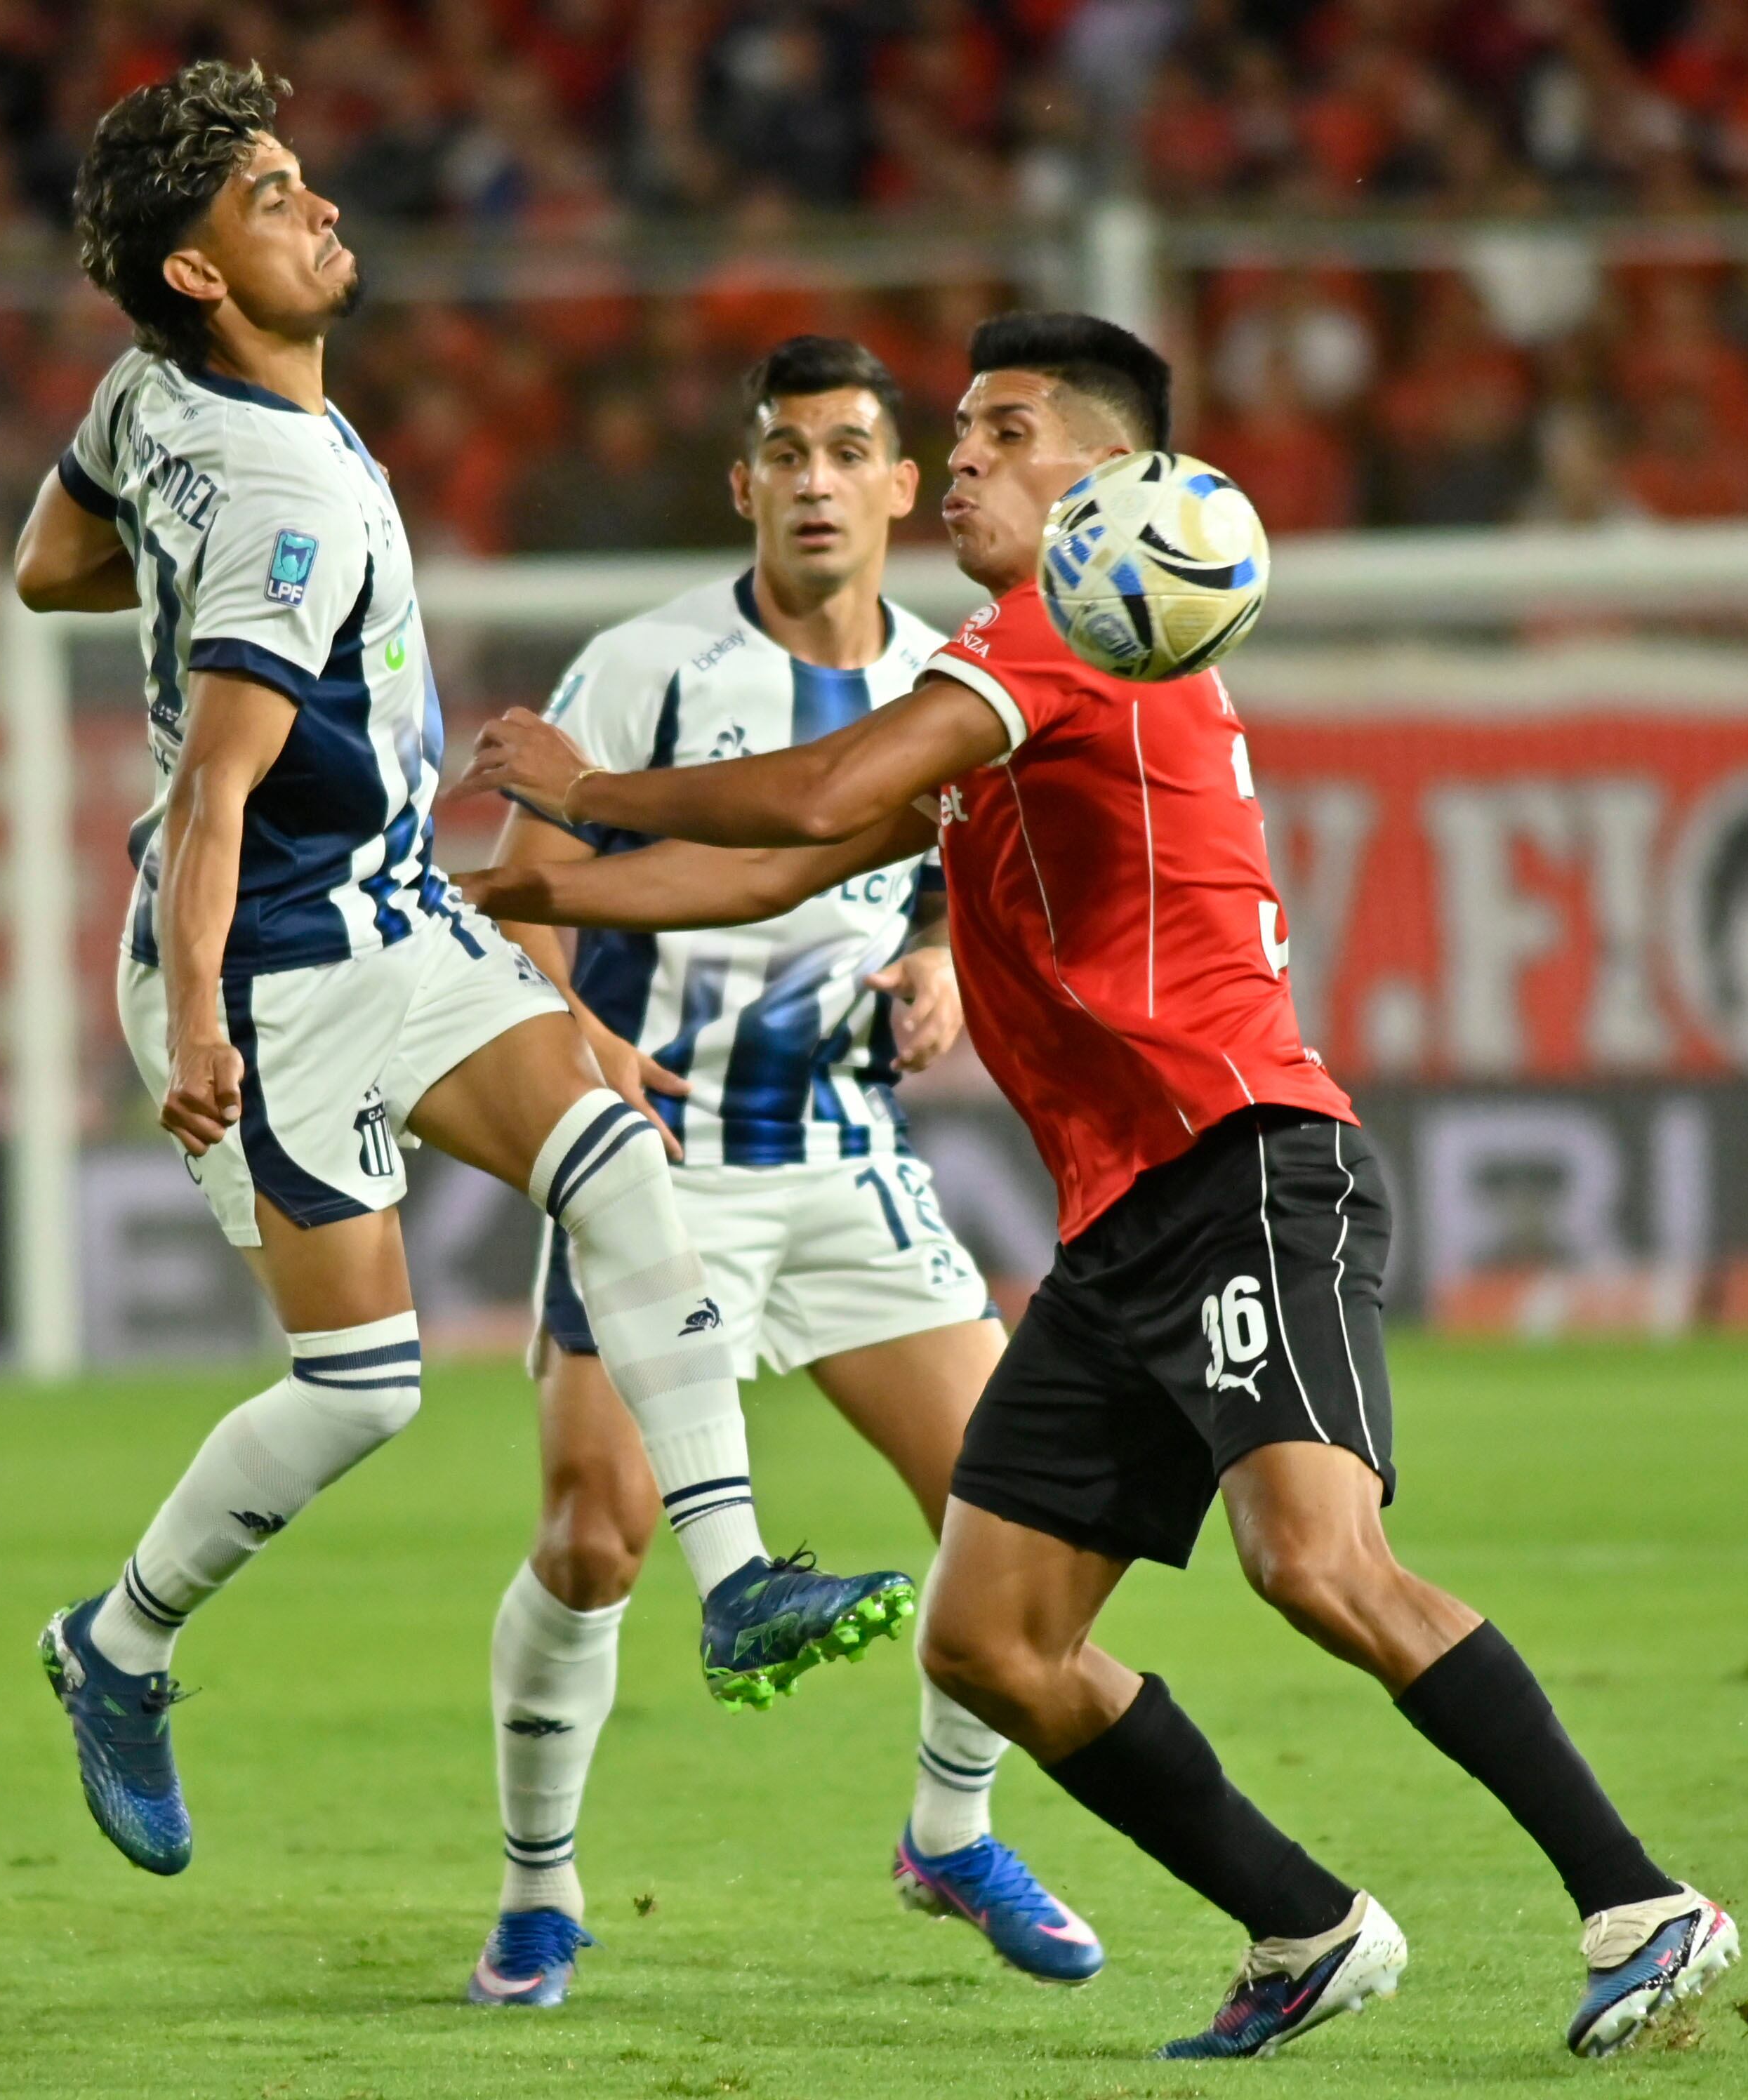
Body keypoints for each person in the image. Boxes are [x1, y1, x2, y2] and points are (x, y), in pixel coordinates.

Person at [456, 312, 1735, 2061]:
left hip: (1244, 1167)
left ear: (1105, 478)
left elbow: (823, 781)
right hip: (1121, 1224)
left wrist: (584, 790)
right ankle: (1302, 1920)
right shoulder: (1015, 669)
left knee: (1315, 1558)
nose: (961, 457)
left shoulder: (1074, 625)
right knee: (988, 1638)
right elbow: (790, 859)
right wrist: (482, 897)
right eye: (963, 429)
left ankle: (1641, 1898)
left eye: (1000, 427)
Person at [10, 61, 914, 1885]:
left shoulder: (150, 395)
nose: (321, 207)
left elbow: (48, 564)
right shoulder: (286, 501)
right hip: (268, 969)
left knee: (616, 1154)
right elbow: (209, 795)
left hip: (389, 905)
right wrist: (192, 1014)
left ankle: (735, 1582)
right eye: (274, 197)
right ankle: (114, 1644)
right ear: (199, 274)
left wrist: (188, 579)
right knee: (362, 1389)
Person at [461, 333, 1098, 2010]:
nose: (814, 481)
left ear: (900, 487)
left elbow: (963, 851)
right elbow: (510, 891)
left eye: (846, 452)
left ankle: (948, 1835)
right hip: (655, 1173)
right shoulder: (641, 666)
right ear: (741, 483)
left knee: (1003, 1517)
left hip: (838, 1160)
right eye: (782, 453)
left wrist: (945, 950)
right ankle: (538, 1888)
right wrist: (578, 1043)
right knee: (594, 1540)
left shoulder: (957, 671)